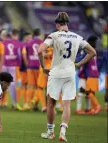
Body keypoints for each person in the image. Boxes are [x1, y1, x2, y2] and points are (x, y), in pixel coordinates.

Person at [38, 12, 96, 142]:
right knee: (67, 105)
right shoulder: (77, 37)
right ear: (67, 23)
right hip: (70, 73)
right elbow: (93, 52)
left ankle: (50, 132)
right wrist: (78, 64)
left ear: (57, 24)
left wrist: (43, 66)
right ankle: (63, 132)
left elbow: (40, 50)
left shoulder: (53, 36)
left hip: (56, 73)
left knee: (51, 104)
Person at [1, 29, 23, 110]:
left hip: (4, 65)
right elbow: (19, 55)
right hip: (13, 66)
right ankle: (15, 103)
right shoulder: (17, 43)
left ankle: (1, 102)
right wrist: (19, 65)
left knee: (2, 83)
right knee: (12, 84)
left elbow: (1, 55)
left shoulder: (2, 43)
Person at [22, 28, 43, 109]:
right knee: (39, 86)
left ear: (33, 34)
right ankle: (35, 102)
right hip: (39, 66)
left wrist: (27, 64)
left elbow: (24, 54)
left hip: (30, 67)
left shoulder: (28, 43)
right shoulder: (42, 42)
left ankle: (28, 104)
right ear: (39, 34)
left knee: (31, 86)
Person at [84, 36, 101, 115]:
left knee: (88, 92)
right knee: (92, 92)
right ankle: (94, 109)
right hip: (95, 74)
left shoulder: (88, 51)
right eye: (94, 41)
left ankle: (97, 106)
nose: (95, 43)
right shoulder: (94, 51)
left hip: (91, 74)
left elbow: (85, 61)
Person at [20, 32, 32, 110]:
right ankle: (26, 103)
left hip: (28, 67)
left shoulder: (28, 45)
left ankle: (29, 103)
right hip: (25, 68)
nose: (30, 39)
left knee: (29, 85)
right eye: (29, 37)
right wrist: (27, 65)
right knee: (25, 85)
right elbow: (23, 56)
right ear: (26, 37)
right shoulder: (24, 45)